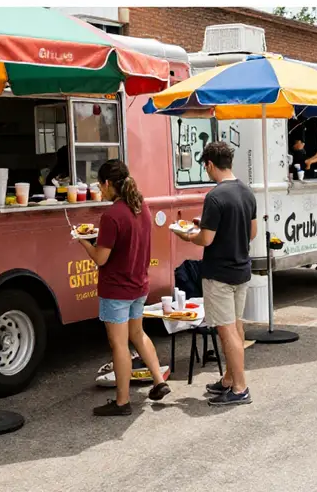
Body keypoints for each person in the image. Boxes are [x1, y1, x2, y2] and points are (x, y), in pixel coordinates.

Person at [78, 159, 170, 416]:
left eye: (100, 185)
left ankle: (122, 401)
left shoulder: (111, 216)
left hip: (116, 289)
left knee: (119, 345)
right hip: (138, 284)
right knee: (137, 334)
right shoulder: (143, 207)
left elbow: (100, 258)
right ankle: (159, 381)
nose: (100, 190)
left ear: (108, 184)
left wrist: (83, 241)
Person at [174, 141, 256, 406]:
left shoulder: (214, 196)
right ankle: (229, 380)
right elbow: (251, 232)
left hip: (219, 273)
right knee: (237, 326)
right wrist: (207, 225)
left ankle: (240, 387)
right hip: (242, 269)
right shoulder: (246, 191)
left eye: (205, 167)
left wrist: (187, 235)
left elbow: (206, 240)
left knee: (226, 331)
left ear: (209, 164)